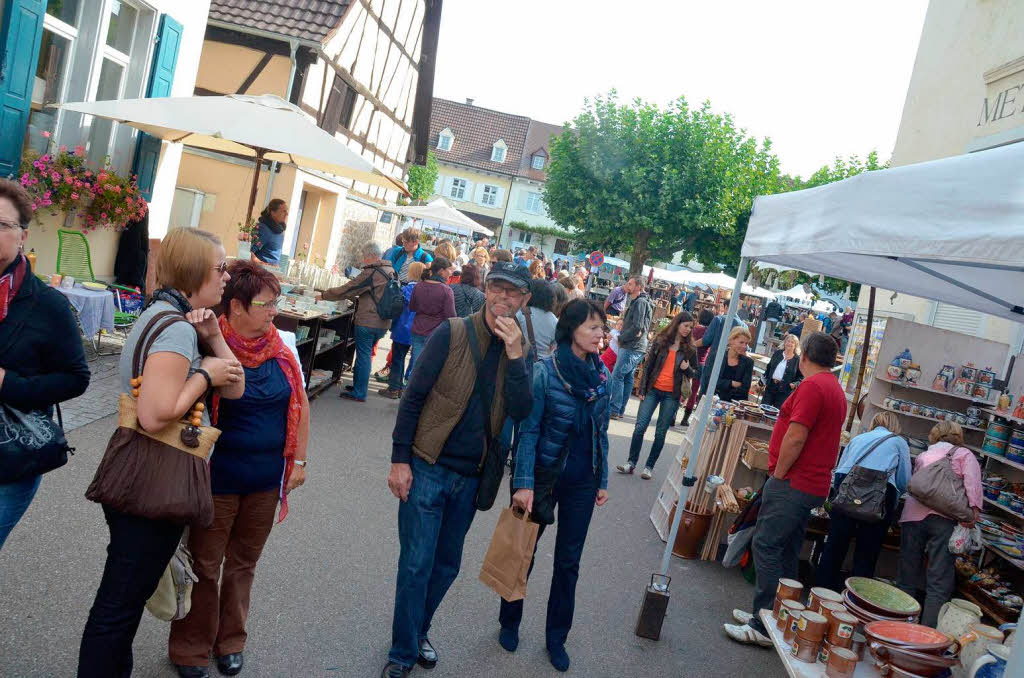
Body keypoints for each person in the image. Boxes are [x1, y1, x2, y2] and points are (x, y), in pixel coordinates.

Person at [79, 228, 246, 677]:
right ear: (194, 270)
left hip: (144, 477)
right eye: (220, 267)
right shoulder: (174, 330)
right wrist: (205, 375)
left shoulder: (170, 316)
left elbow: (238, 386)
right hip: (155, 481)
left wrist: (214, 339)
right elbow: (155, 415)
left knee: (123, 601)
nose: (227, 276)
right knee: (118, 606)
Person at [381, 262, 534, 678]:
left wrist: (517, 356)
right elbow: (413, 398)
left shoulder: (523, 348)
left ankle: (419, 631)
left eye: (513, 293)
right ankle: (401, 652)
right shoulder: (451, 332)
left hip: (472, 477)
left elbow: (522, 411)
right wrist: (399, 460)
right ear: (485, 290)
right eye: (497, 289)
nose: (503, 299)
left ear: (525, 301)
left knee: (446, 565)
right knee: (416, 563)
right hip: (427, 466)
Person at [169, 261, 310, 678]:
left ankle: (231, 640)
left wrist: (298, 461)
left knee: (244, 564)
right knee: (205, 565)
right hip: (217, 479)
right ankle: (191, 647)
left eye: (275, 302)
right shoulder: (208, 345)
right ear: (236, 306)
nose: (274, 311)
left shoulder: (282, 345)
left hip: (266, 480)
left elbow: (299, 406)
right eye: (265, 303)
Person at [498, 299, 610, 672]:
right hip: (544, 477)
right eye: (593, 327)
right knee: (522, 552)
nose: (600, 334)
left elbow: (602, 433)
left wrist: (602, 479)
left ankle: (556, 639)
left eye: (602, 327)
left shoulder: (602, 377)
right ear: (571, 329)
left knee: (569, 564)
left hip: (582, 481)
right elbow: (528, 431)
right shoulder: (545, 370)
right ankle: (509, 621)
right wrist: (524, 483)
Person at [724, 332, 846, 647]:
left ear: (804, 356)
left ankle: (763, 622)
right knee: (788, 550)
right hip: (809, 482)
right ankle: (776, 617)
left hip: (794, 480)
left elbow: (796, 435)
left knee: (766, 545)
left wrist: (778, 475)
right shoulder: (832, 387)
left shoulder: (813, 387)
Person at [0, 179, 89, 548]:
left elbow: (76, 378)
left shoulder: (47, 305)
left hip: (8, 460)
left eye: (2, 225)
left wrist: (8, 384)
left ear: (22, 235)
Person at [896, 421, 983, 627]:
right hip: (945, 521)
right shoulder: (965, 455)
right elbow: (973, 486)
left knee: (907, 576)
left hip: (912, 517)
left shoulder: (926, 455)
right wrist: (973, 515)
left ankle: (898, 625)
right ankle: (926, 635)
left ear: (935, 434)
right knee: (938, 580)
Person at [815, 412, 910, 592]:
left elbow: (841, 470)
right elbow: (904, 481)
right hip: (879, 495)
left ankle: (822, 592)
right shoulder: (899, 442)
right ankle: (857, 599)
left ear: (874, 423)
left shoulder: (859, 438)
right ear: (894, 426)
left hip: (848, 488)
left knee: (835, 546)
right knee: (867, 552)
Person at [619, 312, 697, 478]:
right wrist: (642, 388)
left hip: (672, 394)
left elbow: (695, 373)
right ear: (677, 324)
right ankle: (631, 462)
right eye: (686, 326)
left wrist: (686, 368)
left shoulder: (690, 349)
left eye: (691, 327)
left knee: (660, 433)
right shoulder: (661, 341)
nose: (688, 330)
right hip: (653, 389)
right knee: (640, 427)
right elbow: (648, 366)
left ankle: (649, 466)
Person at [321, 242, 395, 403]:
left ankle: (360, 391)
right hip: (383, 322)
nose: (363, 259)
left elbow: (349, 289)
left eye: (364, 256)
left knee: (363, 355)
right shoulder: (390, 270)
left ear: (370, 256)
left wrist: (324, 295)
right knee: (366, 354)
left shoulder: (372, 272)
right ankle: (358, 386)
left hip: (368, 320)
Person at [379, 262, 427, 400]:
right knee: (413, 360)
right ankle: (404, 388)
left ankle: (394, 387)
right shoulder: (424, 291)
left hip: (402, 327)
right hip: (417, 328)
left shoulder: (405, 290)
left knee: (398, 358)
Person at [608, 277, 653, 420]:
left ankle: (615, 409)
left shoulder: (640, 302)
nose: (628, 285)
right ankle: (619, 410)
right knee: (627, 377)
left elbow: (638, 326)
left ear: (639, 286)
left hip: (632, 345)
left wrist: (621, 338)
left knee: (618, 375)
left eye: (631, 283)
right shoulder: (640, 301)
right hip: (635, 345)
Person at [408, 257, 456, 374]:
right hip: (436, 332)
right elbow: (451, 316)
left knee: (416, 363)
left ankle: (411, 388)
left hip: (418, 329)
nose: (450, 273)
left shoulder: (419, 286)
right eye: (448, 270)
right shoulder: (446, 290)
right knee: (430, 367)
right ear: (441, 271)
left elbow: (412, 307)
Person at [696, 308, 748, 396]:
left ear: (726, 306)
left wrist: (691, 344)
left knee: (705, 395)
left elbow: (706, 340)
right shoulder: (744, 326)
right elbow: (744, 348)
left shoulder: (718, 319)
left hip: (713, 362)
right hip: (733, 366)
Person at [678, 308, 713, 427]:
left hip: (687, 360)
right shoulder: (710, 332)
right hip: (701, 363)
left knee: (681, 385)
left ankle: (673, 415)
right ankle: (685, 419)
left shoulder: (693, 329)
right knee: (694, 391)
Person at [517, 279, 563, 360]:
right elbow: (554, 347)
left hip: (522, 359)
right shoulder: (554, 320)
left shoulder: (520, 314)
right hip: (543, 365)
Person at [759, 333, 802, 408]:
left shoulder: (797, 360)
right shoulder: (777, 353)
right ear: (785, 343)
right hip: (771, 386)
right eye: (788, 341)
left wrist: (795, 384)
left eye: (792, 342)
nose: (790, 343)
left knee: (777, 413)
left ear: (795, 346)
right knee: (763, 408)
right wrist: (763, 379)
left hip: (785, 390)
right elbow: (769, 368)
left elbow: (801, 376)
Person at [713, 326, 754, 402]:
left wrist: (723, 386)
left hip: (736, 405)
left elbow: (744, 389)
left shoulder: (748, 362)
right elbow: (711, 381)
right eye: (741, 342)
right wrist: (731, 383)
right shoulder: (718, 357)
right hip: (715, 400)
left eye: (746, 343)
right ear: (731, 340)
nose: (744, 346)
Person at [250, 199, 288, 266]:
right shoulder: (262, 229)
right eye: (283, 211)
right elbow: (249, 252)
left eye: (286, 211)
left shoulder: (280, 230)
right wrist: (265, 265)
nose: (286, 214)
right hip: (261, 273)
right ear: (273, 212)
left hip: (273, 272)